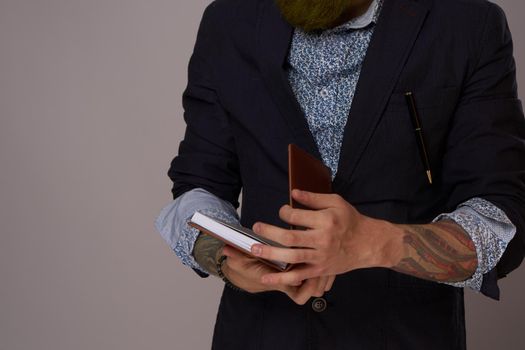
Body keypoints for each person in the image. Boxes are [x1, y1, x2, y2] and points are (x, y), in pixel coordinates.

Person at [155, 0, 525, 348]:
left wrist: (378, 243)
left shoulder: (467, 23)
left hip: (406, 336)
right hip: (260, 334)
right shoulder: (227, 22)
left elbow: (501, 219)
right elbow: (197, 187)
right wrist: (226, 259)